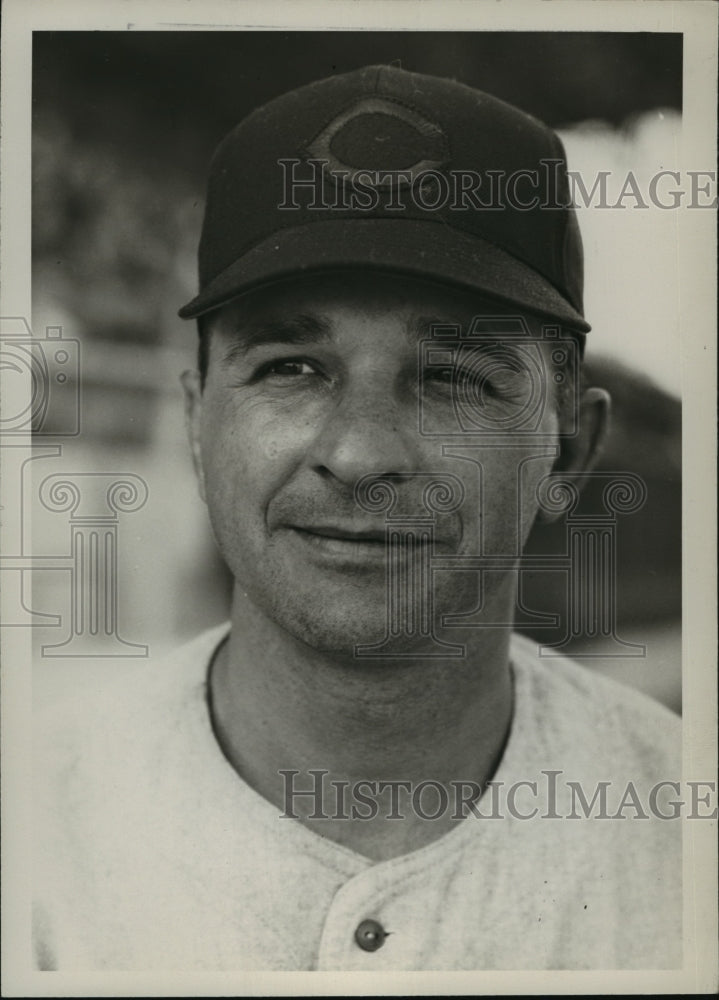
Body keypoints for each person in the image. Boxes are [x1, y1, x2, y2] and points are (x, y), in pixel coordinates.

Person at [34, 64, 680, 972]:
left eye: (453, 377)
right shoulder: (30, 822)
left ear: (567, 453)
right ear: (194, 419)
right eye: (290, 368)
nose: (358, 452)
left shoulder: (682, 832)